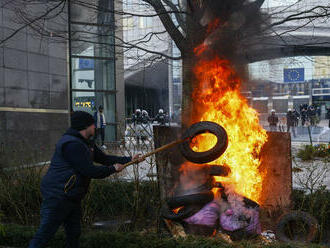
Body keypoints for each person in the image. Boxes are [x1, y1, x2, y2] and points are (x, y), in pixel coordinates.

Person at [29, 111, 143, 248]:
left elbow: (104, 159)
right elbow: (89, 170)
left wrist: (130, 159)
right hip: (58, 195)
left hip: (71, 195)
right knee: (44, 235)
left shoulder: (86, 143)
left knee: (74, 234)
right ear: (85, 127)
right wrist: (112, 169)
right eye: (93, 125)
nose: (95, 127)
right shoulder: (72, 144)